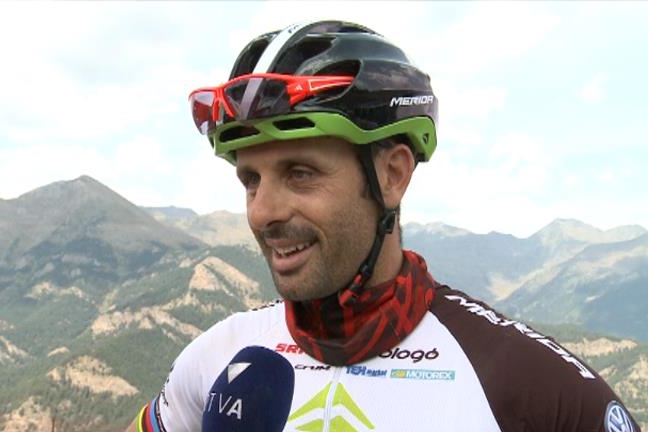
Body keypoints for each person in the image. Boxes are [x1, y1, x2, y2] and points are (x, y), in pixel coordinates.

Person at [127, 20, 640, 432]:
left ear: (392, 176)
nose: (262, 212)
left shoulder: (532, 385)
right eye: (251, 180)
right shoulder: (217, 358)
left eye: (299, 173)